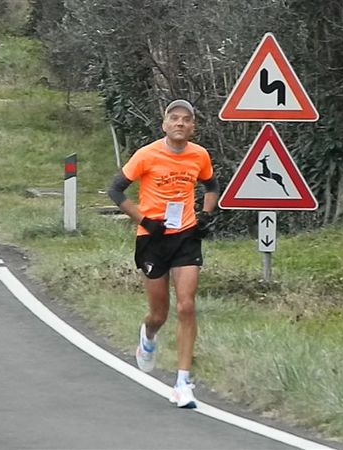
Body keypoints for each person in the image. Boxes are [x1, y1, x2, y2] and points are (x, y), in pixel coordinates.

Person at [107, 99, 219, 408]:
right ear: (165, 125)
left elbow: (211, 187)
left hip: (185, 236)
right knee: (160, 313)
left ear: (193, 127)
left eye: (186, 119)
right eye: (175, 118)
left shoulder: (200, 155)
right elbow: (115, 190)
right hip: (153, 238)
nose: (180, 123)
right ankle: (148, 335)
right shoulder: (146, 155)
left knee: (186, 306)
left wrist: (206, 216)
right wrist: (143, 220)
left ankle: (183, 382)